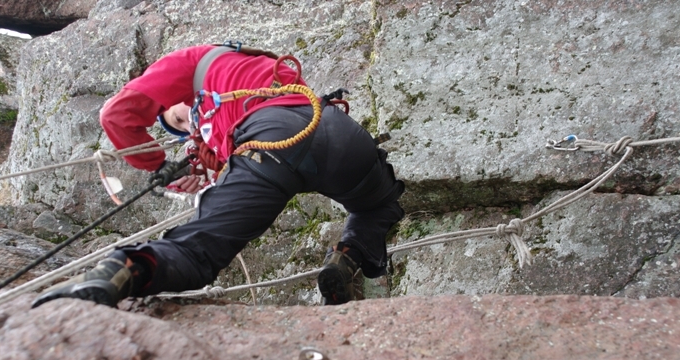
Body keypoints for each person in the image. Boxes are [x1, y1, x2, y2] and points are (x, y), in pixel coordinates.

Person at [32, 43, 404, 308]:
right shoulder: (245, 74)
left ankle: (124, 270)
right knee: (379, 205)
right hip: (336, 130)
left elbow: (116, 115)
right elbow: (235, 161)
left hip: (270, 139)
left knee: (196, 252)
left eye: (177, 117)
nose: (187, 123)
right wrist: (205, 173)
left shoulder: (193, 62)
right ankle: (348, 258)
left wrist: (156, 165)